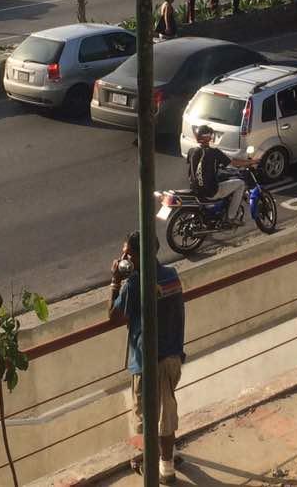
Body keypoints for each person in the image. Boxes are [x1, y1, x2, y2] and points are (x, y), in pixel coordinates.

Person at [109, 232, 186, 485]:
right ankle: (164, 457)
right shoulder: (171, 276)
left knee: (155, 417)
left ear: (134, 256)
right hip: (173, 356)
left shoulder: (134, 284)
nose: (123, 258)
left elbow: (114, 316)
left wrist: (115, 281)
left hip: (148, 361)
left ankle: (164, 469)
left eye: (126, 254)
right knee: (167, 410)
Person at [186, 123, 253, 220]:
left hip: (197, 191)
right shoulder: (214, 152)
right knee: (241, 183)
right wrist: (252, 161)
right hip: (211, 192)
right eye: (211, 135)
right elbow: (234, 163)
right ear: (208, 137)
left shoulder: (191, 151)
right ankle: (231, 216)